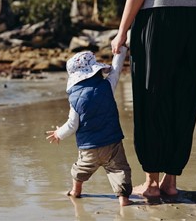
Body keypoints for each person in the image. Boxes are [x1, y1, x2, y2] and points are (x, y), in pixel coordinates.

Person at [111, 0, 196, 197]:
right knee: (185, 98)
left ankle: (151, 182)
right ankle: (171, 181)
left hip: (158, 17)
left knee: (152, 98)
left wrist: (122, 30)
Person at [46, 47, 133, 206]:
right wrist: (120, 50)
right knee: (120, 170)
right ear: (96, 70)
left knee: (79, 171)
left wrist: (59, 133)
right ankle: (123, 199)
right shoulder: (107, 86)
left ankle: (76, 191)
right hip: (112, 143)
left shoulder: (75, 99)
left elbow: (72, 125)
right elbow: (116, 70)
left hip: (88, 148)